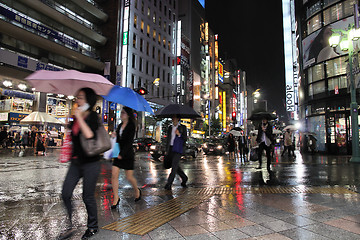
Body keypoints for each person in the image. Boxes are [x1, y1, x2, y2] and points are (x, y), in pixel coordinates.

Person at [59, 88, 101, 240]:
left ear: (88, 100)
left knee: (87, 196)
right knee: (65, 193)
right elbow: (74, 136)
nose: (78, 100)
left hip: (91, 162)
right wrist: (68, 124)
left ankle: (93, 227)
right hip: (76, 162)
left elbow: (90, 135)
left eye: (81, 97)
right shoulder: (77, 117)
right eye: (77, 97)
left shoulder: (93, 116)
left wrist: (79, 117)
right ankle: (71, 224)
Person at [111, 106, 141, 209]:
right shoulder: (119, 126)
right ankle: (116, 198)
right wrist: (114, 136)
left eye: (123, 113)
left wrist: (122, 154)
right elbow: (118, 141)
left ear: (128, 114)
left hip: (127, 154)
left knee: (129, 177)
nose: (121, 114)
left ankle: (137, 190)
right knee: (114, 174)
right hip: (118, 153)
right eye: (121, 112)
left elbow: (129, 142)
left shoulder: (132, 126)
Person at [164, 114, 188, 190]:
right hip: (171, 149)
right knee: (175, 166)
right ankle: (184, 177)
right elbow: (168, 139)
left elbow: (185, 139)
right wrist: (166, 150)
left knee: (174, 167)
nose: (173, 118)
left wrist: (179, 134)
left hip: (178, 149)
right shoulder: (170, 128)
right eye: (172, 117)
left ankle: (169, 183)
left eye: (174, 117)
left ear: (178, 119)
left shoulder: (183, 127)